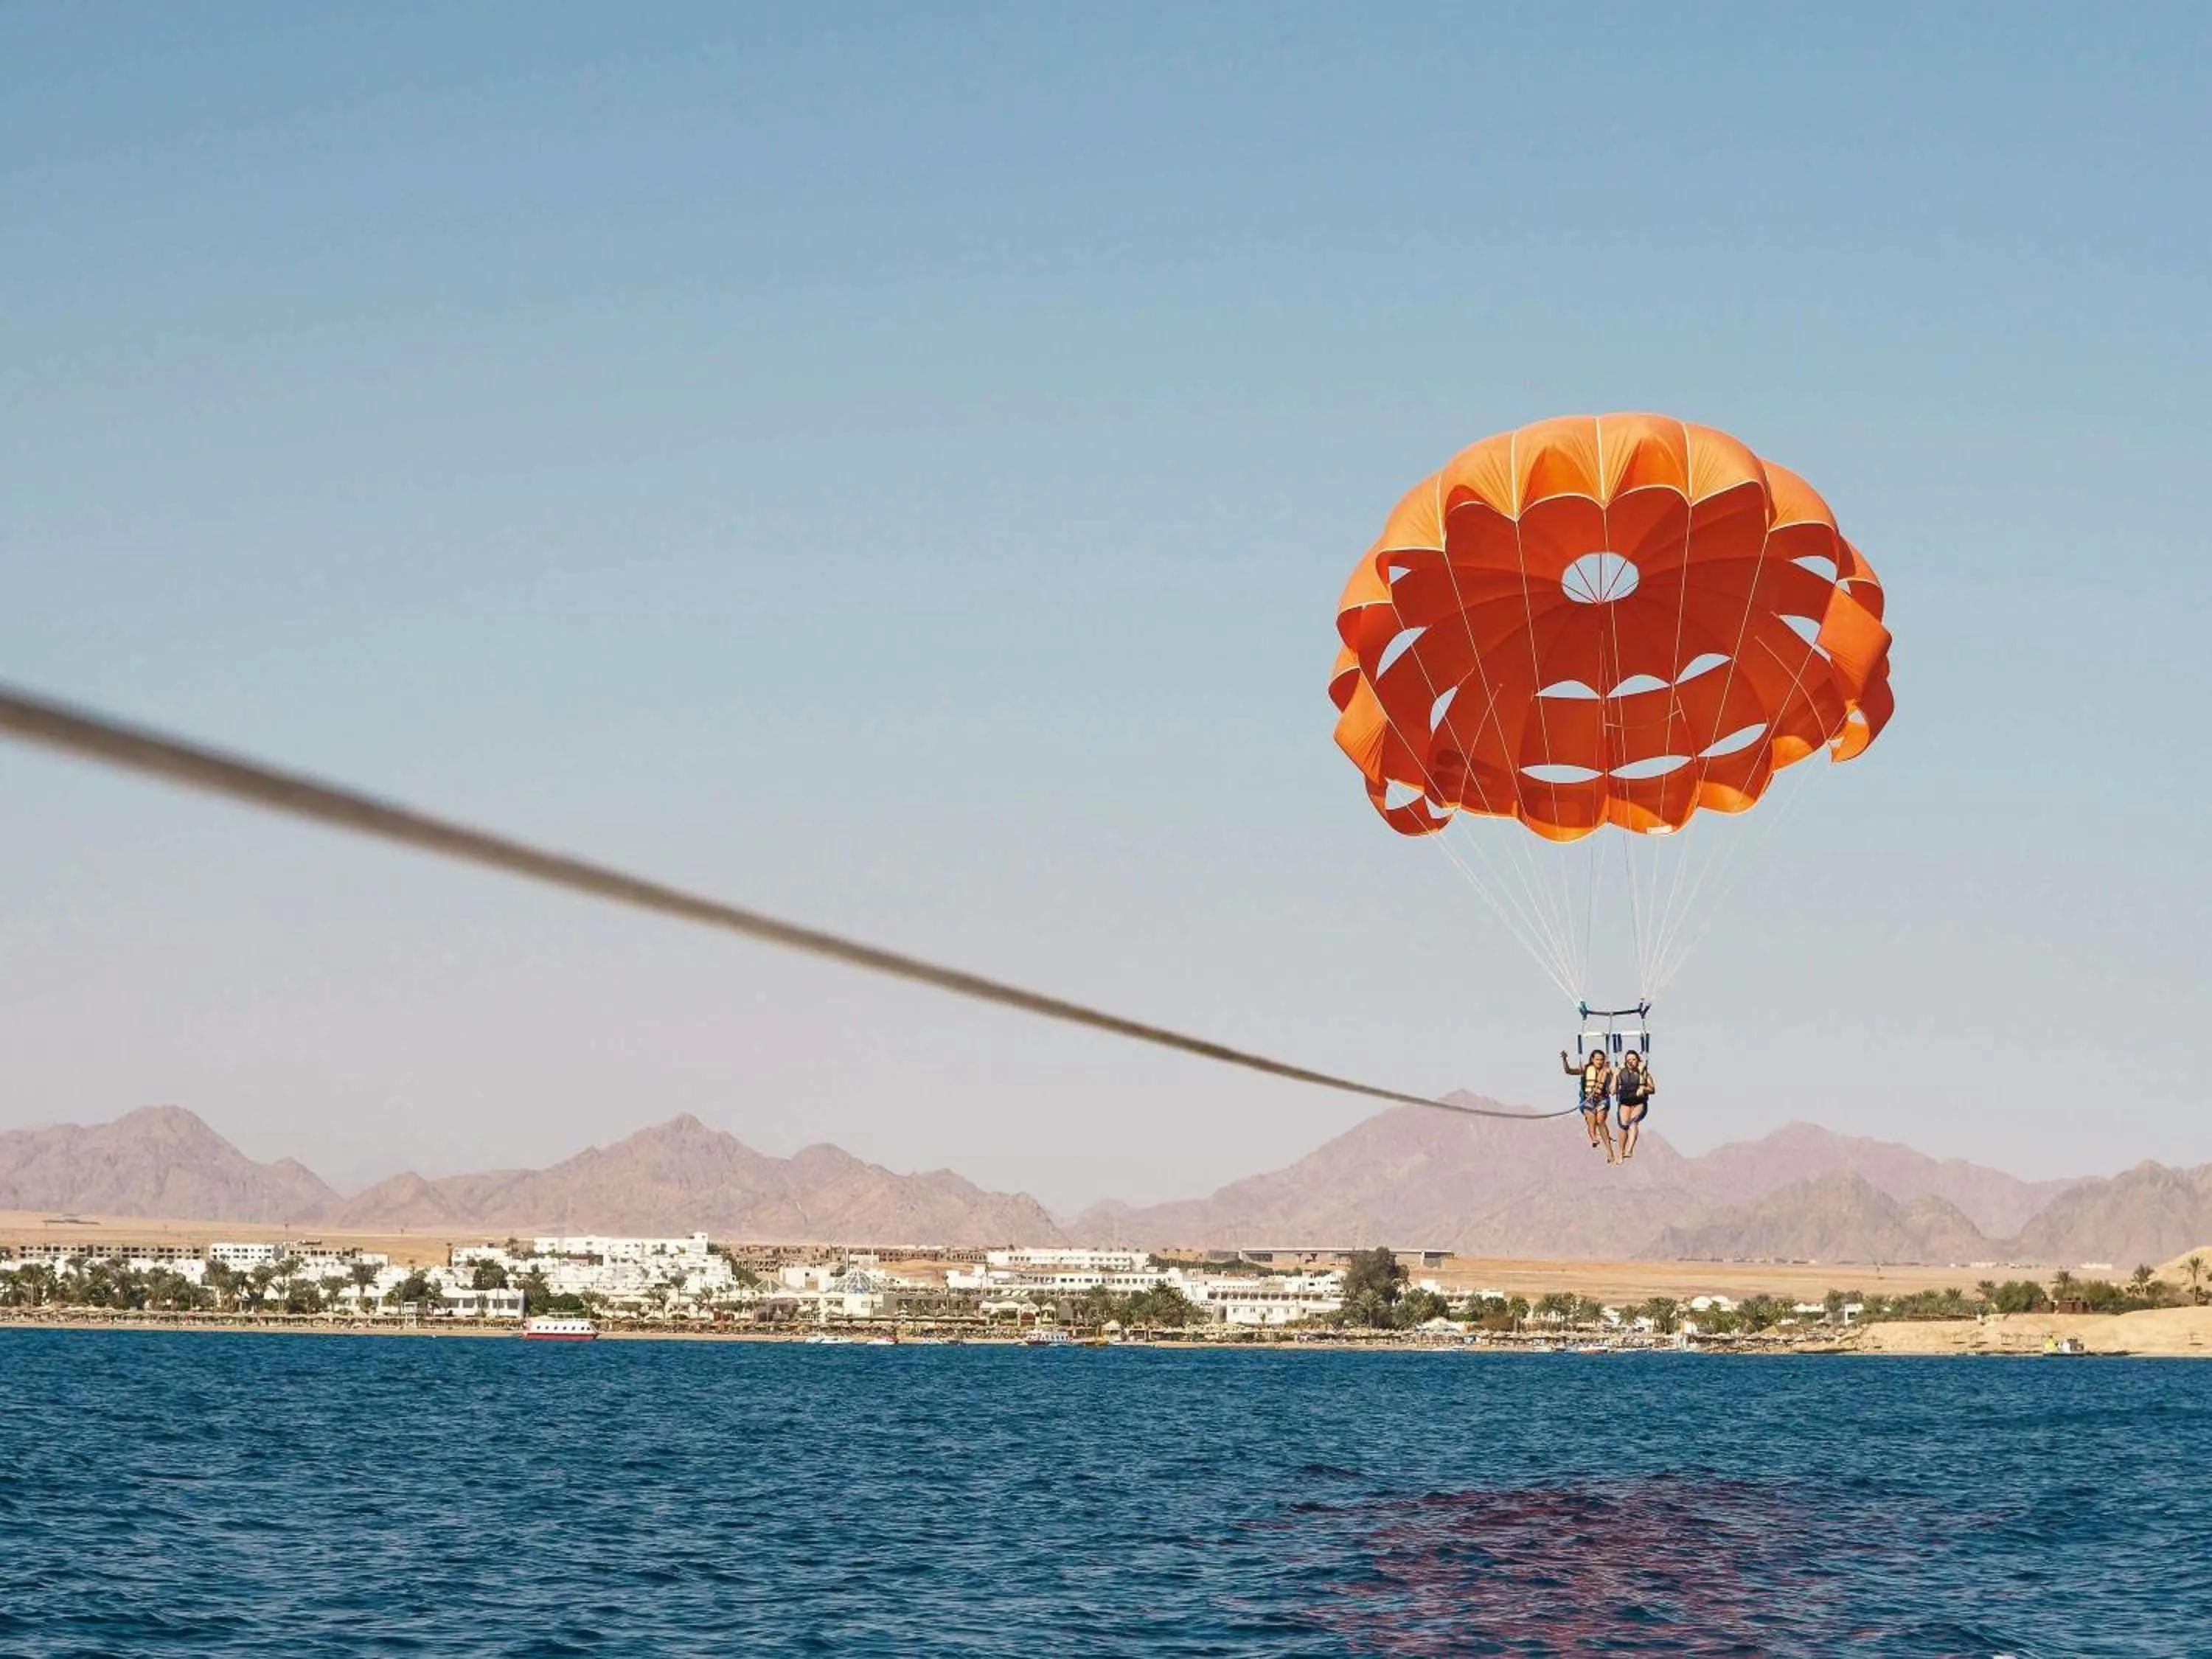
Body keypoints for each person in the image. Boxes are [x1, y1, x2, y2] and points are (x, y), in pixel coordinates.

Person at [1562, 1048, 1615, 1161]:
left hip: (1602, 1100)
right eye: (1597, 1059)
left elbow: (1613, 1088)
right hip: (1587, 1100)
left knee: (1600, 1121)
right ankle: (1594, 1138)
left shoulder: (1607, 1071)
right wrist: (1565, 1060)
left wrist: (1611, 1075)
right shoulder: (1586, 1069)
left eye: (1601, 1060)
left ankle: (1609, 1151)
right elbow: (1569, 1071)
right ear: (1592, 1059)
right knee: (1591, 1119)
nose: (1599, 1062)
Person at [1613, 1050, 1655, 1161]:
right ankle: (1621, 1152)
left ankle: (1629, 1150)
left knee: (1632, 1122)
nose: (1631, 1062)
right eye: (1629, 1060)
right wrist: (1615, 1076)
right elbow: (1612, 1090)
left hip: (1639, 1103)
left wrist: (1644, 1089)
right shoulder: (1620, 1073)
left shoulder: (1645, 1073)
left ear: (1638, 1061)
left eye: (1634, 1060)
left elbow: (1652, 1089)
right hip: (1624, 1103)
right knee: (1623, 1125)